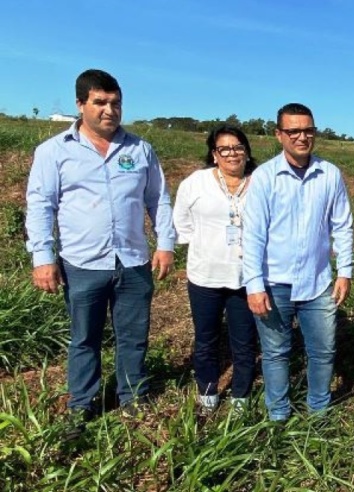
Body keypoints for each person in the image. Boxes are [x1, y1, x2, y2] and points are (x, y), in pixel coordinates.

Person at [25, 69, 175, 437]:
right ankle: (82, 405)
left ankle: (132, 398)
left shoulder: (140, 149)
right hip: (82, 263)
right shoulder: (54, 151)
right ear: (81, 104)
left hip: (133, 260)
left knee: (133, 335)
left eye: (116, 103)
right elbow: (40, 205)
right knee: (84, 337)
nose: (110, 110)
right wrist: (43, 257)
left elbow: (158, 199)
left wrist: (166, 244)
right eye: (101, 102)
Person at [242, 103, 354, 422]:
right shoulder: (265, 177)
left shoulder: (329, 174)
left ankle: (318, 412)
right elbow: (253, 235)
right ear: (279, 135)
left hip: (317, 282)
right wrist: (254, 285)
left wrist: (344, 271)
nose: (302, 137)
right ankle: (278, 415)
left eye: (308, 130)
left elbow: (342, 226)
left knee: (322, 352)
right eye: (293, 131)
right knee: (276, 354)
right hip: (274, 283)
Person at [173, 125, 258, 415]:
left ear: (246, 152)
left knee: (244, 340)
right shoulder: (196, 183)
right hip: (205, 275)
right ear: (214, 154)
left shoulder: (260, 182)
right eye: (225, 149)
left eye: (238, 147)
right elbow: (182, 222)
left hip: (246, 277)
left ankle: (241, 396)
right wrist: (201, 243)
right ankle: (207, 391)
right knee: (206, 338)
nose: (232, 154)